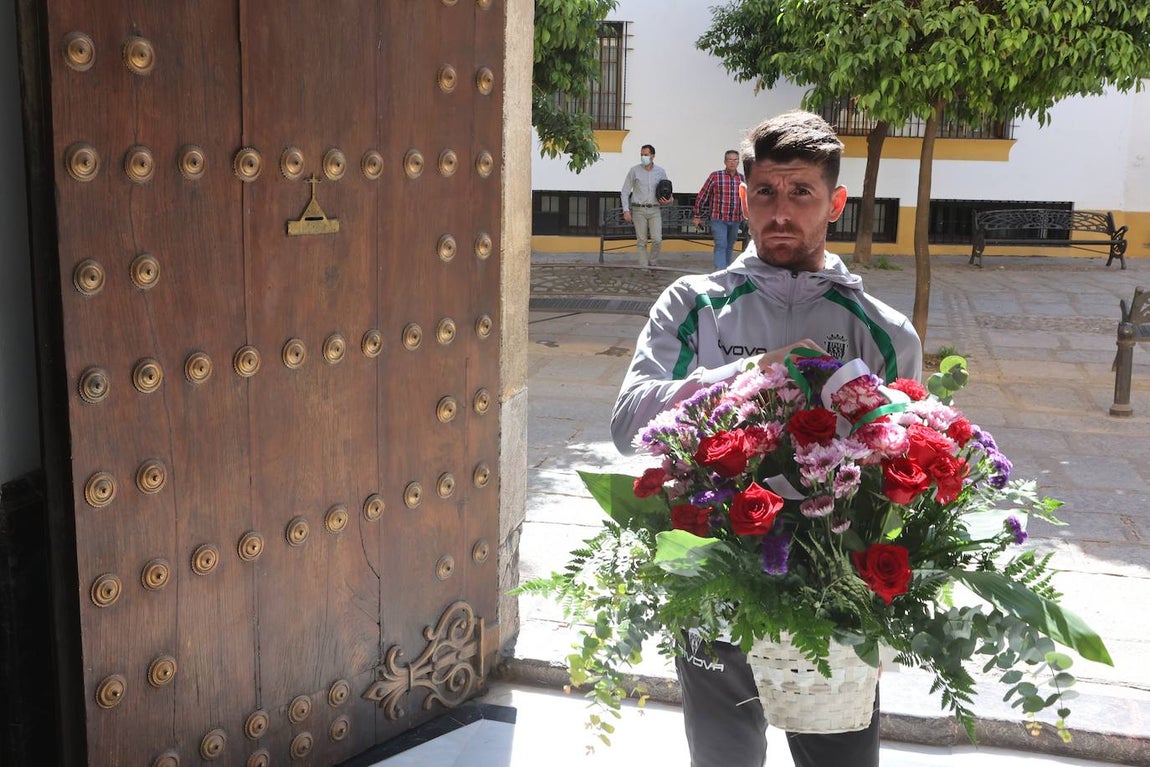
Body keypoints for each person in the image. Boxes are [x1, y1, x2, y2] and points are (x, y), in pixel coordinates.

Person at [610, 111, 922, 767]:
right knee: (722, 757)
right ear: (744, 196)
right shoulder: (689, 305)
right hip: (717, 587)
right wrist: (753, 372)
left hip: (831, 601)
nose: (780, 212)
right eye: (765, 193)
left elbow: (908, 479)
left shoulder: (883, 332)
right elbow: (630, 422)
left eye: (801, 192)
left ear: (835, 201)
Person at [620, 144, 673, 267]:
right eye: (641, 155)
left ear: (653, 156)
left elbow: (667, 190)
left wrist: (669, 200)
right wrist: (626, 210)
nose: (643, 157)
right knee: (642, 241)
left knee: (657, 240)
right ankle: (644, 268)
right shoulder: (634, 170)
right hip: (638, 210)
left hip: (655, 210)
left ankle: (653, 262)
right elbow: (625, 191)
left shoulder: (660, 172)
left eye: (646, 155)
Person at [692, 149, 746, 269]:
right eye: (730, 160)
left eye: (735, 160)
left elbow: (746, 200)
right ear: (725, 162)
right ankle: (720, 271)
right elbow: (703, 195)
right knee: (721, 244)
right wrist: (697, 215)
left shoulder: (742, 179)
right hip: (718, 218)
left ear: (738, 162)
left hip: (735, 219)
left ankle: (726, 269)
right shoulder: (716, 176)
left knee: (730, 245)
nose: (732, 162)